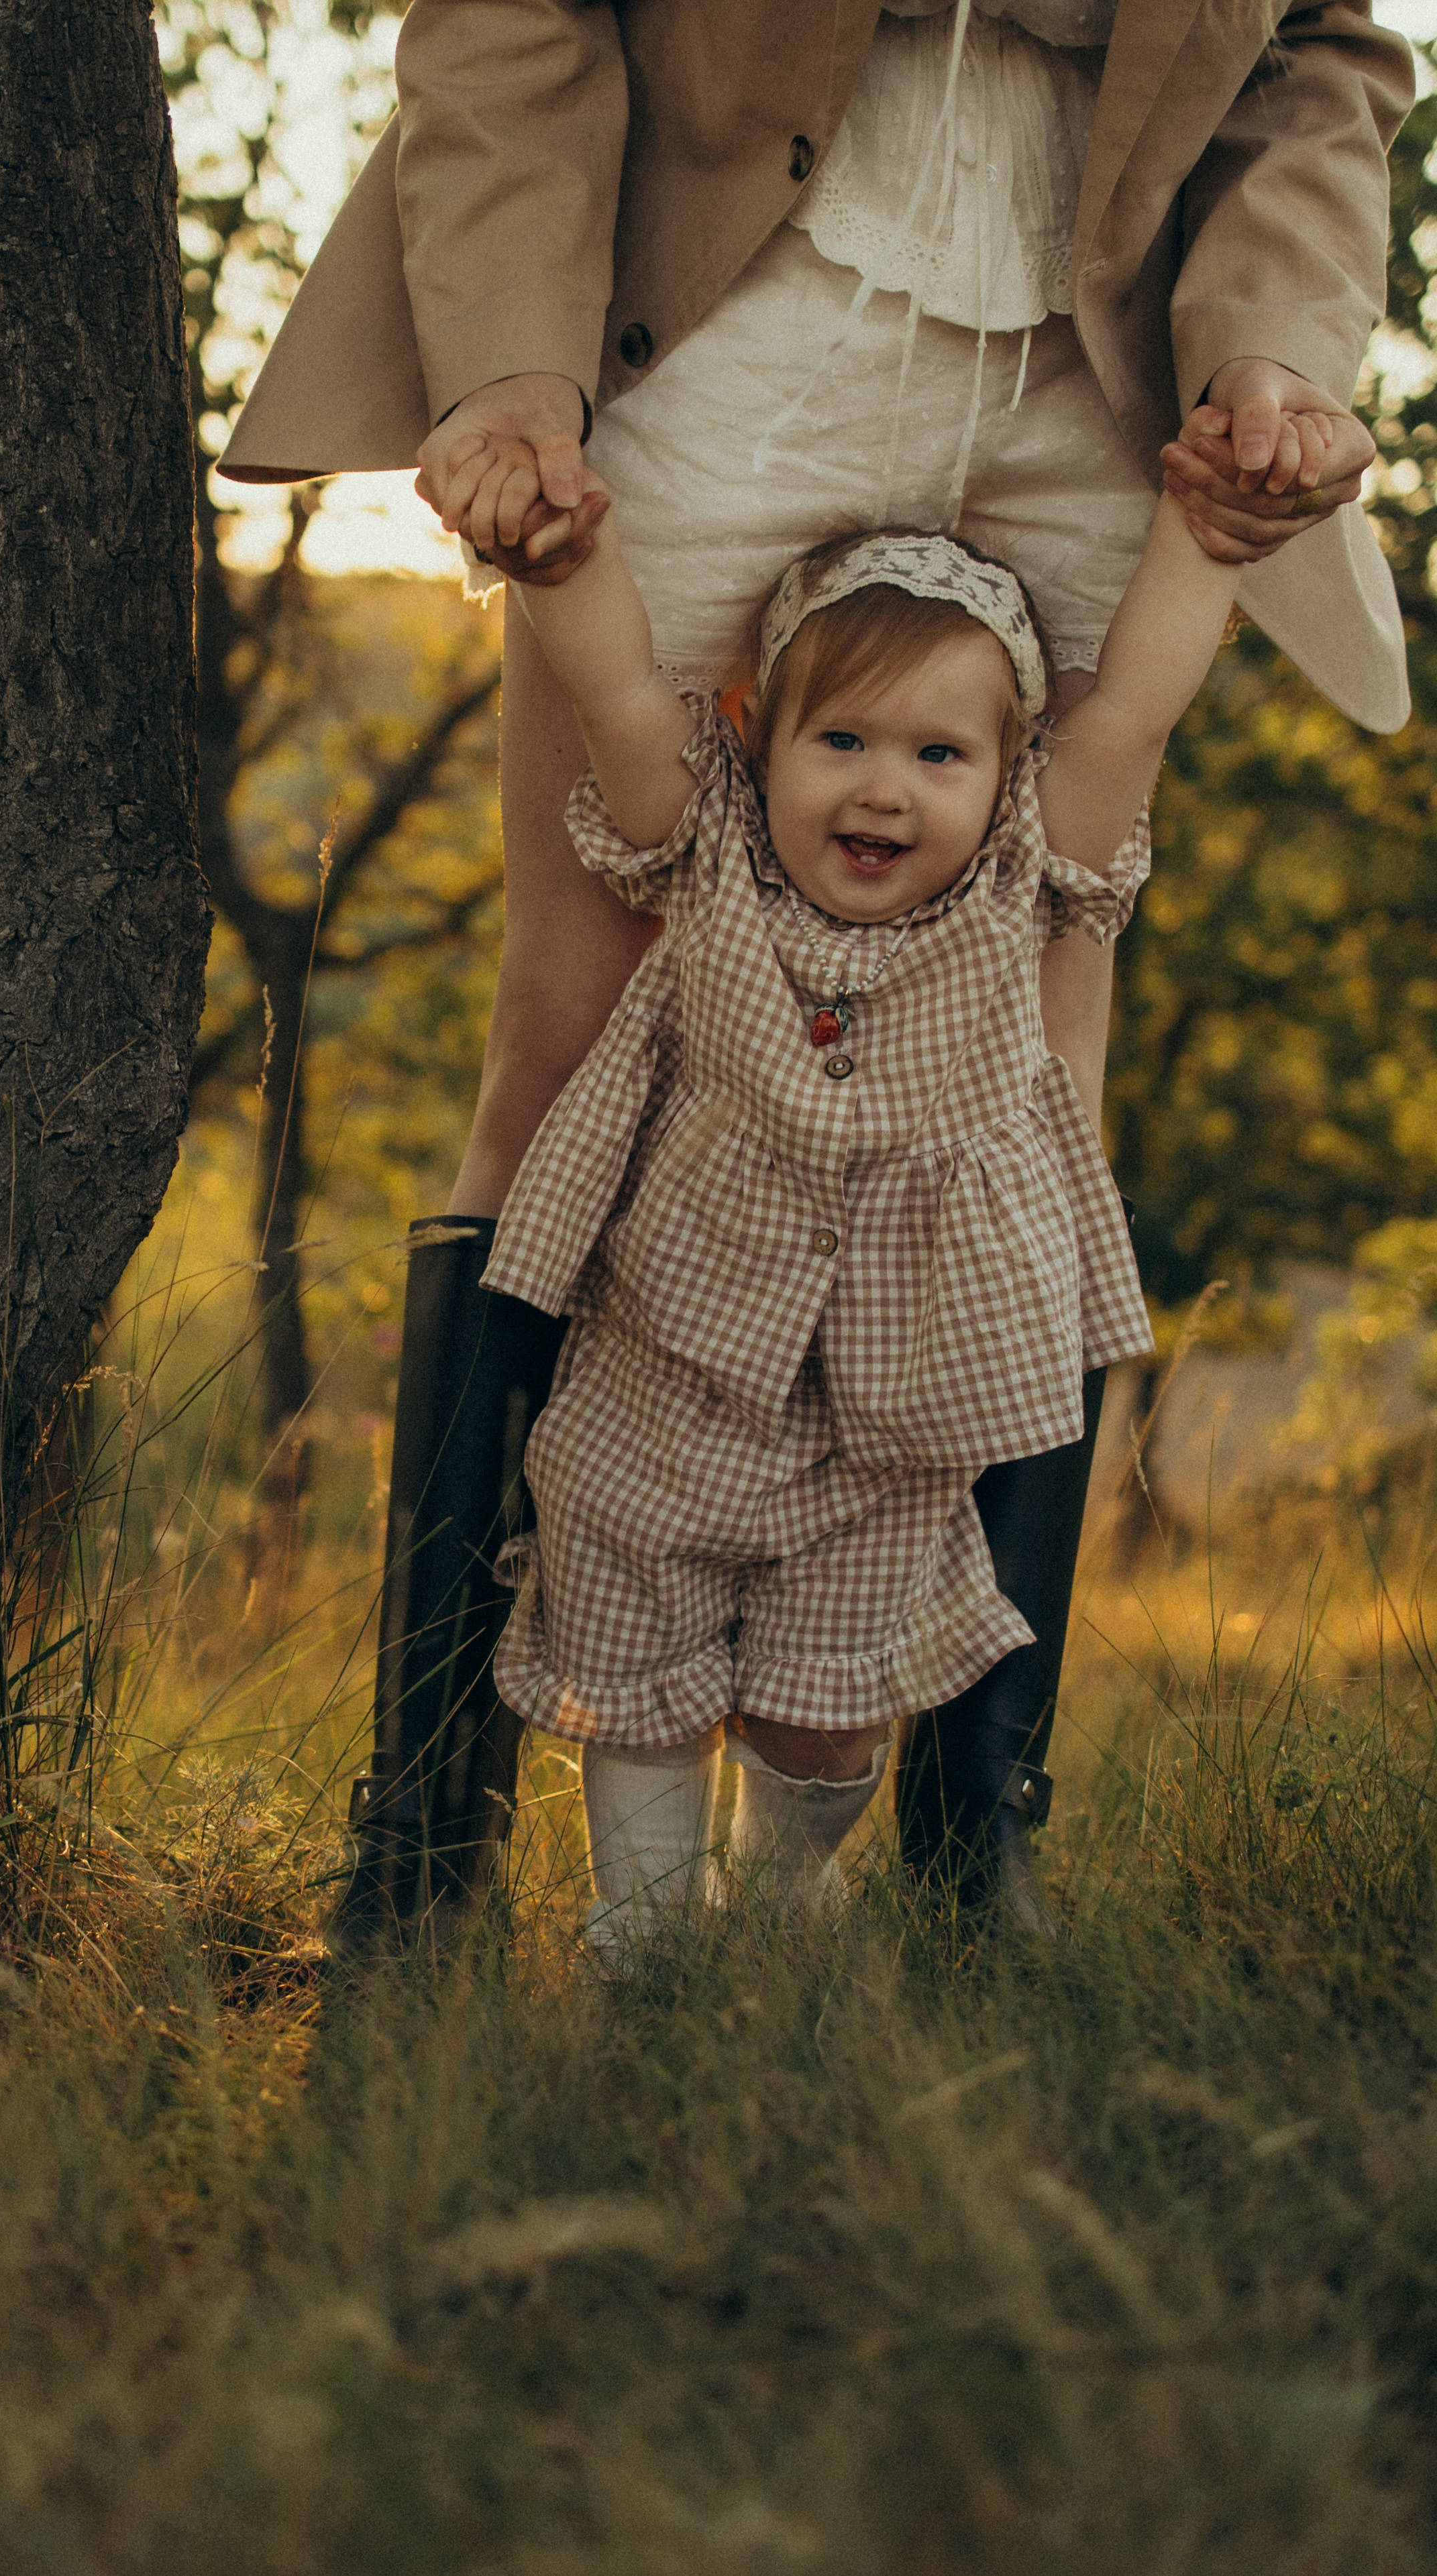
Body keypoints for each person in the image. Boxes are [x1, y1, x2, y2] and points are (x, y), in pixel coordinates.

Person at [217, 1, 1414, 1946]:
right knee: (571, 1047)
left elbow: (1323, 48)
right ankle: (428, 1837)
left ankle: (967, 1847)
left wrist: (1275, 357)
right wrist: (515, 372)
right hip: (731, 308)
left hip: (1110, 370)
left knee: (1027, 1107)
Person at [472, 486, 1238, 1946]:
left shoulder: (1023, 882)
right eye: (841, 741)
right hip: (663, 1380)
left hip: (890, 1427)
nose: (883, 789)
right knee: (634, 1671)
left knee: (825, 1711)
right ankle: (643, 1936)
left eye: (936, 753)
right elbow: (627, 694)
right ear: (762, 741)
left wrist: (1207, 541)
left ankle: (779, 1894)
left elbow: (1129, 708)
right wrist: (568, 567)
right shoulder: (705, 851)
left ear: (1004, 776)